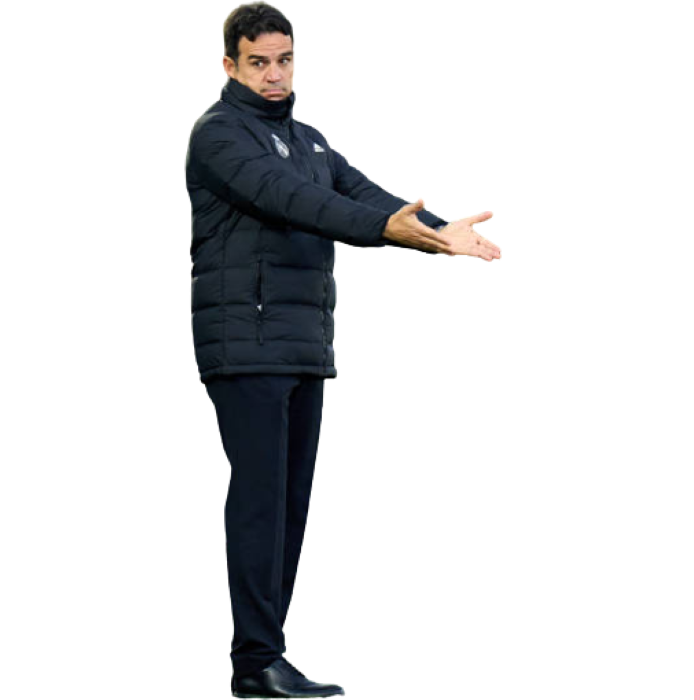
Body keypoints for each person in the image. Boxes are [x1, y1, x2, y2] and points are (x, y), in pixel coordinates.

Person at [186, 3, 501, 698]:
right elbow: (294, 201)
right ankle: (254, 662)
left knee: (292, 507)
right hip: (247, 342)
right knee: (261, 506)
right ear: (229, 66)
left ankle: (272, 657)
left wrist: (441, 230)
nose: (274, 75)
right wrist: (390, 232)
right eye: (258, 63)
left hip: (304, 344)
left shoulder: (312, 141)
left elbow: (368, 196)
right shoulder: (218, 135)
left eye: (285, 60)